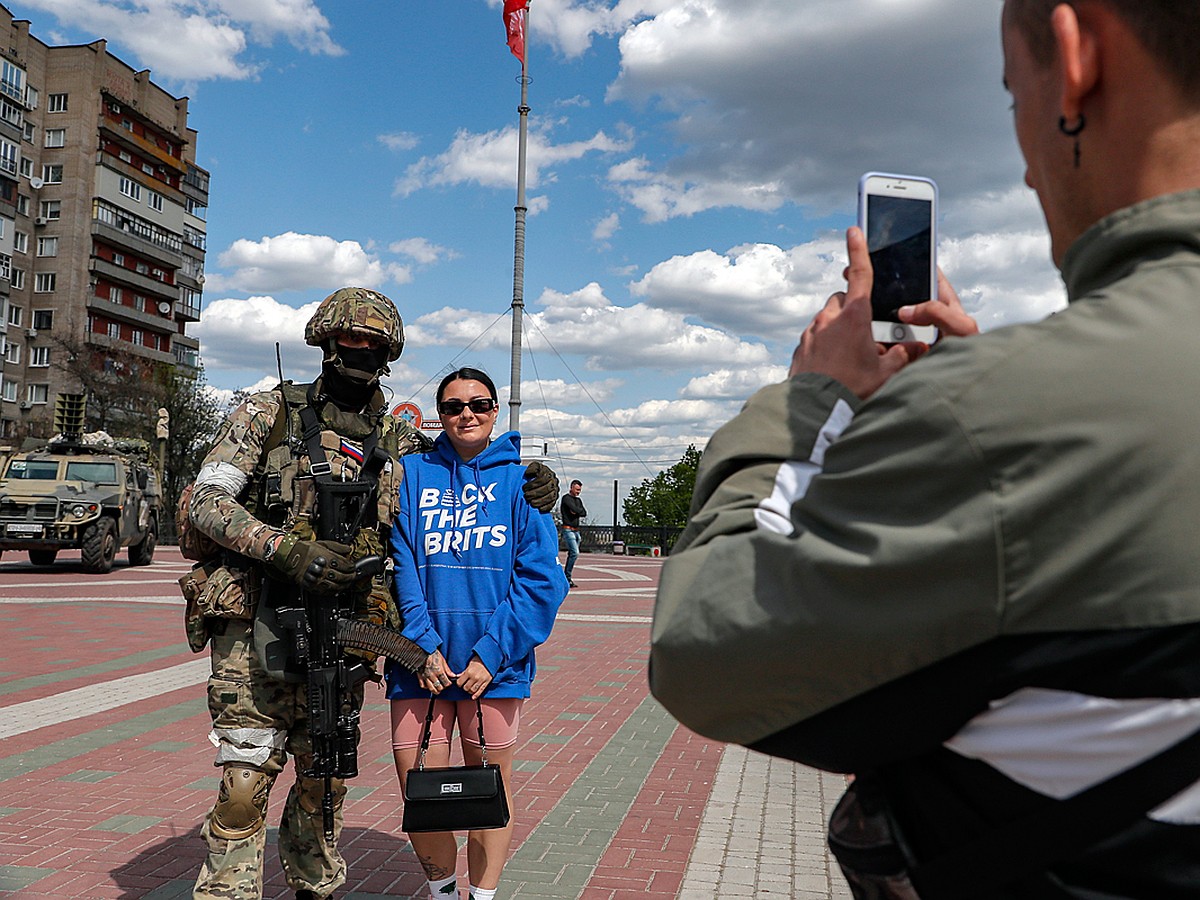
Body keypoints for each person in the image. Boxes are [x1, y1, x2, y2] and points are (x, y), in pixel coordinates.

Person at [650, 2, 1200, 897]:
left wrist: (807, 402)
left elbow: (702, 653)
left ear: (1074, 55)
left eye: (1011, 94)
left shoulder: (996, 422)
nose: (1025, 167)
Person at [186, 290, 560, 900]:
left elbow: (458, 463)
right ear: (325, 344)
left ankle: (315, 885)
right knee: (245, 780)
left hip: (346, 632)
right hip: (259, 624)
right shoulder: (267, 413)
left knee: (325, 778)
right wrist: (286, 550)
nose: (358, 355)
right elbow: (204, 503)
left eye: (372, 346)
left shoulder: (400, 439)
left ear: (388, 353)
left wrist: (528, 476)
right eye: (347, 344)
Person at [387, 367, 568, 900]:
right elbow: (402, 566)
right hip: (419, 665)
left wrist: (490, 655)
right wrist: (422, 648)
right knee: (420, 791)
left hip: (495, 670)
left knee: (489, 792)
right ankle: (443, 892)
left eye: (479, 404)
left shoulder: (521, 483)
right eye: (453, 406)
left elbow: (541, 580)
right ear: (438, 415)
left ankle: (483, 896)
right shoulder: (412, 474)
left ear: (495, 412)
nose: (467, 413)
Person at [559, 479, 586, 587]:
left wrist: (576, 512)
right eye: (577, 489)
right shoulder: (566, 498)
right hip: (568, 529)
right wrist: (576, 511)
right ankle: (567, 577)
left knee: (573, 554)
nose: (578, 492)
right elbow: (574, 509)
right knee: (575, 552)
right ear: (571, 488)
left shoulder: (578, 500)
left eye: (579, 490)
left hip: (576, 530)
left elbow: (583, 512)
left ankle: (567, 577)